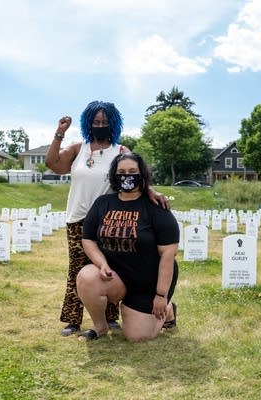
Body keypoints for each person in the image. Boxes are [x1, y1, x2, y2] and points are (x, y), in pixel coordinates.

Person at [45, 101, 168, 337]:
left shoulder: (120, 151)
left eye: (104, 121)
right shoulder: (78, 149)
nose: (100, 125)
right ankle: (72, 319)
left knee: (109, 269)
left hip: (109, 220)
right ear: (88, 123)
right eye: (96, 121)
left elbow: (135, 175)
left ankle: (110, 318)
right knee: (76, 270)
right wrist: (59, 133)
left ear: (113, 123)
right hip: (78, 219)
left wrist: (152, 192)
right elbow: (53, 164)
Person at [77, 152, 178, 342]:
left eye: (132, 171)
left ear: (142, 174)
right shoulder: (103, 203)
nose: (127, 176)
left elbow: (168, 254)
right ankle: (100, 326)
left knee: (137, 337)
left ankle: (169, 310)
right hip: (115, 277)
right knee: (86, 277)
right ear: (114, 175)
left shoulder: (156, 206)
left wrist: (161, 295)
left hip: (149, 282)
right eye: (121, 172)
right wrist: (102, 264)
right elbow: (88, 239)